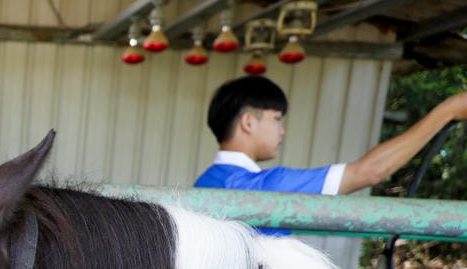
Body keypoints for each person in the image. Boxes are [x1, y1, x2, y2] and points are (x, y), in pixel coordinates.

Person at [196, 74, 467, 211]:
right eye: (276, 119)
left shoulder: (204, 183)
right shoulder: (264, 187)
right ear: (248, 122)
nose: (282, 132)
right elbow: (370, 172)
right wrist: (447, 111)